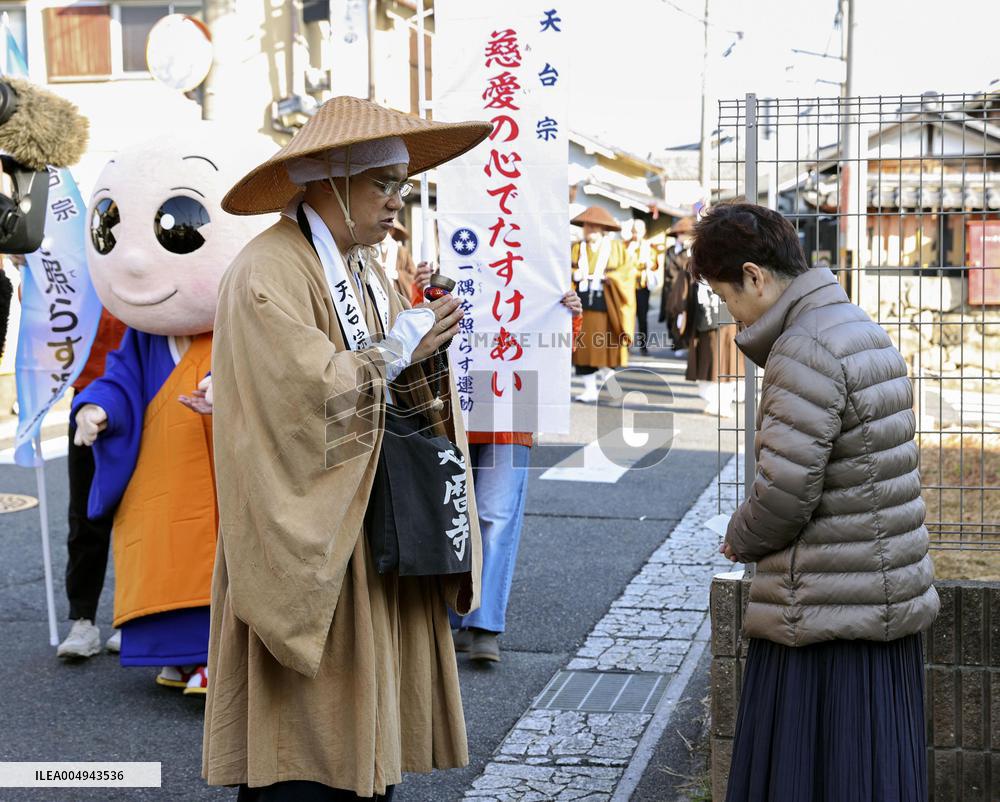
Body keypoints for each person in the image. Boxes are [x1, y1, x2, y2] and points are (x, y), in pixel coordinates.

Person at [203, 96, 488, 801]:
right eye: (382, 184)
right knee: (301, 756)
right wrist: (399, 346)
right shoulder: (269, 271)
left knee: (359, 747)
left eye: (402, 186)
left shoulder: (363, 266)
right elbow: (300, 408)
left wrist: (425, 343)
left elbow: (384, 380)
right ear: (328, 180)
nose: (397, 203)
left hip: (366, 520)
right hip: (308, 528)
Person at [690, 202, 939, 801]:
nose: (731, 316)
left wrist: (739, 536)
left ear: (754, 276)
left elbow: (784, 493)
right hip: (876, 594)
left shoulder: (803, 346)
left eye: (726, 298)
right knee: (873, 769)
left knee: (813, 771)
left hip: (825, 606)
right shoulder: (854, 324)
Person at [454, 290, 582, 663]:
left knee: (494, 515)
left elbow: (552, 349)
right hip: (456, 404)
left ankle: (484, 625)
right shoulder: (454, 250)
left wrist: (568, 316)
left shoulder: (538, 264)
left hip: (512, 407)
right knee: (453, 515)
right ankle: (451, 614)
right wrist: (425, 289)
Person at [56, 307, 127, 659]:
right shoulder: (72, 263)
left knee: (141, 512)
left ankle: (136, 618)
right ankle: (82, 620)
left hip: (140, 395)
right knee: (84, 512)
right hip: (87, 394)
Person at [570, 206, 636, 403]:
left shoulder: (616, 248)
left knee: (608, 347)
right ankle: (589, 390)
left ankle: (611, 385)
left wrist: (611, 277)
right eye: (586, 226)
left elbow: (628, 273)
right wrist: (574, 275)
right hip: (581, 305)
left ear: (602, 229)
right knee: (582, 350)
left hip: (607, 305)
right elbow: (564, 270)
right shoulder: (575, 249)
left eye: (593, 227)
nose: (589, 230)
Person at [624, 218, 658, 355]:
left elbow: (655, 264)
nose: (635, 234)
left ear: (643, 232)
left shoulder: (649, 247)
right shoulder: (626, 246)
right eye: (633, 231)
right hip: (627, 286)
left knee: (642, 317)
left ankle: (643, 345)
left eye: (637, 232)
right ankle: (627, 343)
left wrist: (649, 263)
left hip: (642, 286)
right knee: (627, 315)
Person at [659, 216, 693, 352]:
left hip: (685, 289)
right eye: (680, 233)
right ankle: (676, 342)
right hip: (671, 288)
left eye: (685, 233)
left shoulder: (691, 251)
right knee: (672, 315)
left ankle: (684, 343)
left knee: (685, 314)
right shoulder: (670, 251)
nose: (682, 236)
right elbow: (668, 270)